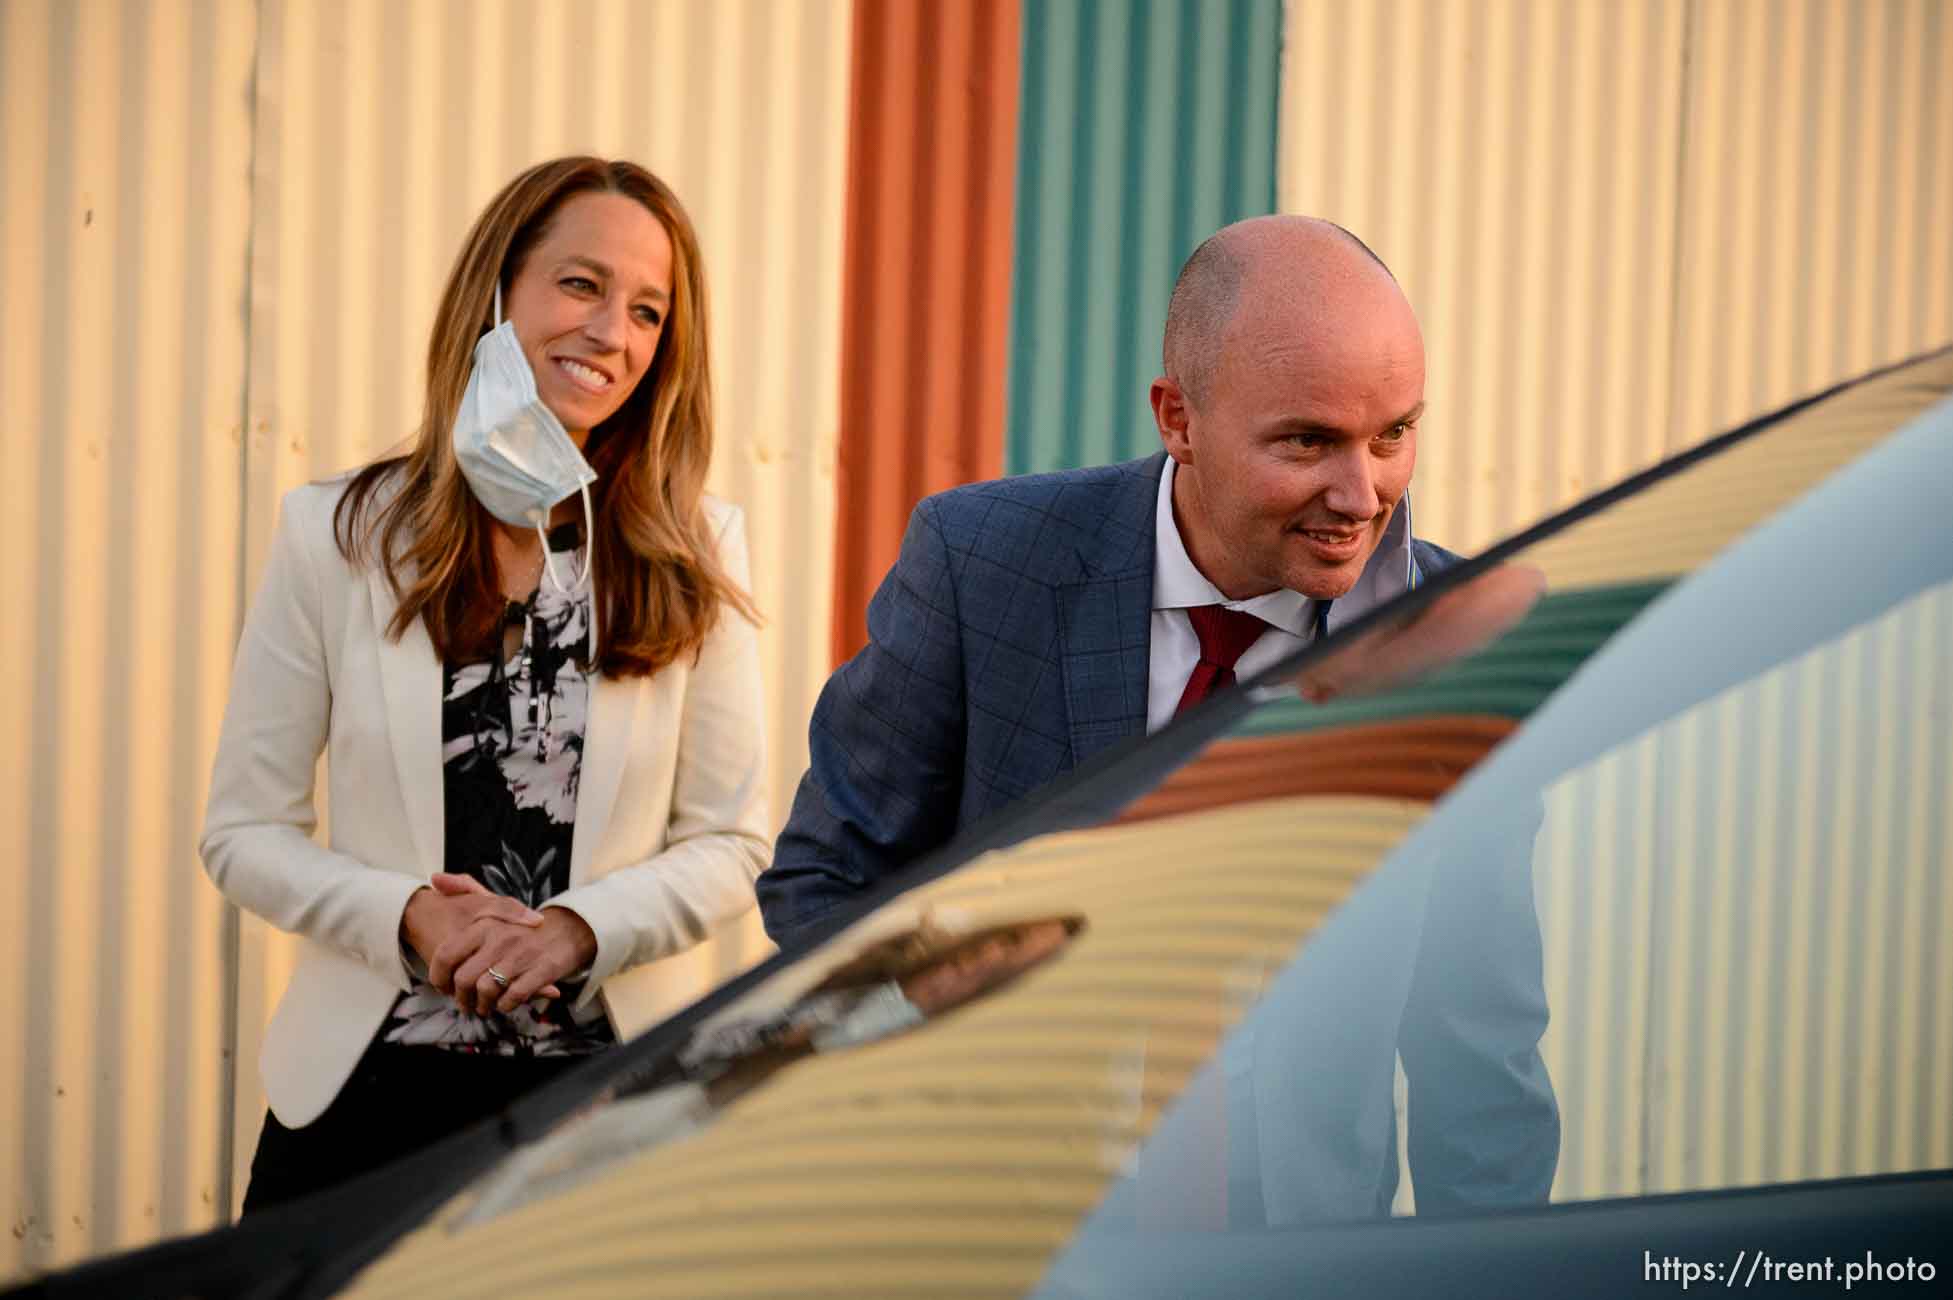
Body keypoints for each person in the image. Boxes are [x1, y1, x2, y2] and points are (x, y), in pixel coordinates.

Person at [757, 215, 1558, 1219]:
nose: (1364, 494)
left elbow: (1480, 1067)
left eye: (1394, 433)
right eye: (1309, 440)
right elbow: (824, 884)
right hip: (985, 1248)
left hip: (1302, 1272)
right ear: (1178, 418)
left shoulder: (1460, 646)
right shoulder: (983, 565)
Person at [200, 156, 770, 1214]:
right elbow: (241, 830)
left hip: (612, 1110)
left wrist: (577, 929)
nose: (612, 333)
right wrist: (409, 913)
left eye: (649, 311)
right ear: (497, 293)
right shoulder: (336, 536)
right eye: (581, 284)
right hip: (365, 1105)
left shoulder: (697, 548)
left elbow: (733, 842)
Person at [455, 916, 1082, 1226]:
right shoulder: (859, 971)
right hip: (636, 1083)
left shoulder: (908, 1056)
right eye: (1002, 942)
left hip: (692, 1150)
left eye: (1004, 967)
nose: (982, 960)